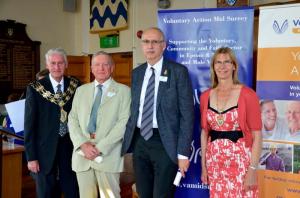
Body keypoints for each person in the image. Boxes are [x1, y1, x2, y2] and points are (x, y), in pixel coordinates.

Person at [121, 27, 194, 198]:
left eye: (155, 42)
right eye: (146, 42)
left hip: (165, 142)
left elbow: (187, 115)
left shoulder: (178, 72)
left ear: (164, 45)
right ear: (141, 45)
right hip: (140, 141)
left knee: (162, 195)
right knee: (143, 193)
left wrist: (183, 153)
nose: (150, 46)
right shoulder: (137, 73)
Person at [200, 47, 262, 197]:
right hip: (215, 163)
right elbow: (204, 133)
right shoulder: (205, 96)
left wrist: (252, 170)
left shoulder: (248, 94)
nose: (222, 66)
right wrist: (204, 166)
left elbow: (258, 136)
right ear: (213, 67)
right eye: (218, 62)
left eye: (227, 62)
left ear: (234, 66)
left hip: (241, 164)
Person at [68, 51, 131, 198]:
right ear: (91, 68)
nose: (101, 68)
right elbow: (72, 119)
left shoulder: (124, 91)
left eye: (105, 64)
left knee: (110, 196)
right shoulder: (81, 90)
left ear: (112, 67)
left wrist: (100, 148)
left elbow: (124, 123)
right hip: (82, 155)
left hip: (108, 154)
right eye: (97, 64)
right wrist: (83, 144)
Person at [24, 48, 80, 198]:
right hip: (43, 151)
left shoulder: (75, 85)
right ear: (47, 65)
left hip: (70, 147)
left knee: (72, 190)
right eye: (53, 63)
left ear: (66, 64)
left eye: (60, 63)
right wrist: (31, 157)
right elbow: (29, 125)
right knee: (46, 192)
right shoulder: (35, 88)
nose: (57, 67)